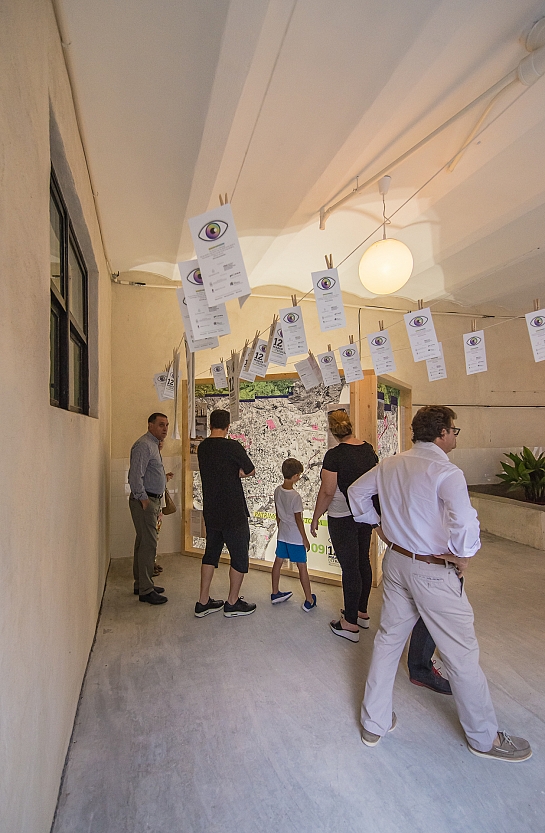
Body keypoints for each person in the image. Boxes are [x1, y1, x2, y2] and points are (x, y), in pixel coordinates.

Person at [348, 405, 531, 761]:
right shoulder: (446, 472)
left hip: (397, 562)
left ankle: (375, 722)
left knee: (388, 641)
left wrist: (378, 525)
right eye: (454, 431)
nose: (454, 437)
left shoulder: (390, 464)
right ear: (442, 433)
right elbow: (464, 522)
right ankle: (484, 739)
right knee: (460, 653)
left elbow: (356, 492)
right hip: (433, 571)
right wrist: (463, 555)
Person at [310, 409, 378, 642]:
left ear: (332, 430)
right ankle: (361, 612)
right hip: (364, 515)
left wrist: (317, 516)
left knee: (349, 568)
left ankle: (349, 623)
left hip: (341, 518)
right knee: (362, 562)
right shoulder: (368, 450)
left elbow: (328, 491)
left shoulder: (334, 455)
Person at [195, 409, 257, 618]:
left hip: (211, 510)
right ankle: (232, 603)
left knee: (210, 554)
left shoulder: (203, 448)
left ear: (210, 425)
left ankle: (203, 601)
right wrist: (235, 473)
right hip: (233, 511)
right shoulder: (232, 446)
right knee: (239, 556)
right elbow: (250, 470)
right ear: (228, 426)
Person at [128, 413, 172, 605]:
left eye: (167, 425)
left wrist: (163, 478)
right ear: (150, 425)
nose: (165, 428)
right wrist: (143, 499)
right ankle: (146, 590)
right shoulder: (144, 445)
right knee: (149, 544)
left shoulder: (153, 444)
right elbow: (135, 476)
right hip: (145, 501)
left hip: (151, 499)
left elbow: (149, 471)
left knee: (143, 542)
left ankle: (141, 583)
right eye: (161, 425)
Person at [271, 458, 316, 611]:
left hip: (282, 533)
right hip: (295, 537)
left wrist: (280, 527)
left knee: (277, 562)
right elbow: (298, 520)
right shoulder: (295, 496)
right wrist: (305, 538)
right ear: (296, 476)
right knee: (302, 566)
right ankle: (309, 599)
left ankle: (275, 592)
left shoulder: (277, 490)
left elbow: (277, 513)